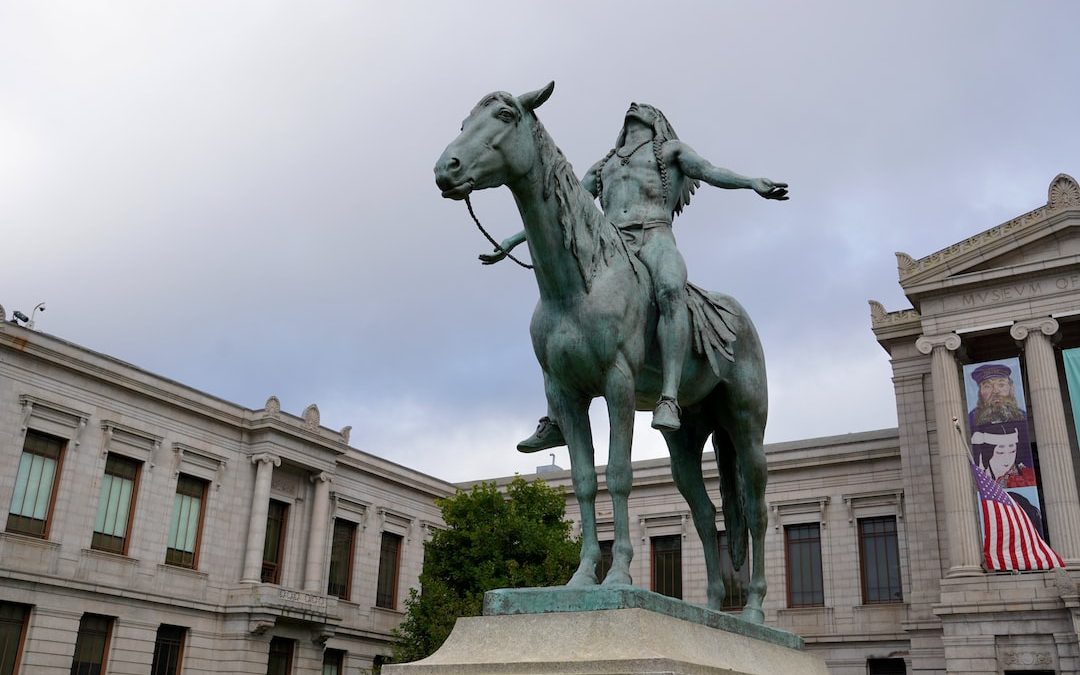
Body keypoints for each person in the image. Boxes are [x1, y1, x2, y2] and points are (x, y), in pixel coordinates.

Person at [481, 103, 787, 451]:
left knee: (672, 288)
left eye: (643, 108)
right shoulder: (606, 163)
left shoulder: (671, 151)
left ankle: (669, 395)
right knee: (556, 311)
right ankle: (555, 418)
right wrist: (512, 240)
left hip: (655, 237)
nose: (632, 107)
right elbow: (565, 203)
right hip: (611, 245)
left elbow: (709, 171)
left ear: (657, 121)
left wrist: (751, 183)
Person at [971, 425, 1035, 488]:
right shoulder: (976, 480)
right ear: (987, 454)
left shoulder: (1028, 476)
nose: (1007, 459)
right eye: (1000, 452)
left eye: (1012, 451)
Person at [967, 363, 1027, 428]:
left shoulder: (1022, 417)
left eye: (1001, 385)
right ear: (980, 392)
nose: (995, 391)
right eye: (988, 386)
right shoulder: (971, 420)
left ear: (1010, 388)